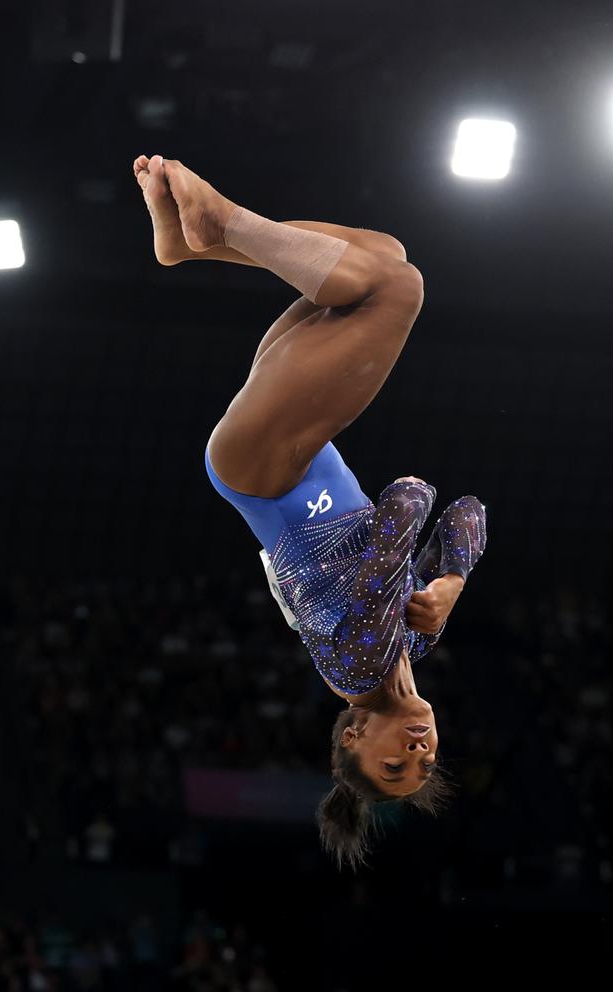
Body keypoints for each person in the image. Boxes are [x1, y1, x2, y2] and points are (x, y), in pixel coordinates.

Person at [133, 154, 487, 867]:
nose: (417, 750)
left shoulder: (360, 662)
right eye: (426, 761)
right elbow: (469, 512)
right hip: (295, 448)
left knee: (398, 290)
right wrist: (452, 582)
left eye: (395, 765)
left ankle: (221, 223)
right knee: (381, 257)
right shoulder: (411, 647)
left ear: (353, 736)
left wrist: (433, 580)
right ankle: (196, 240)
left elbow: (410, 499)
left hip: (266, 463)